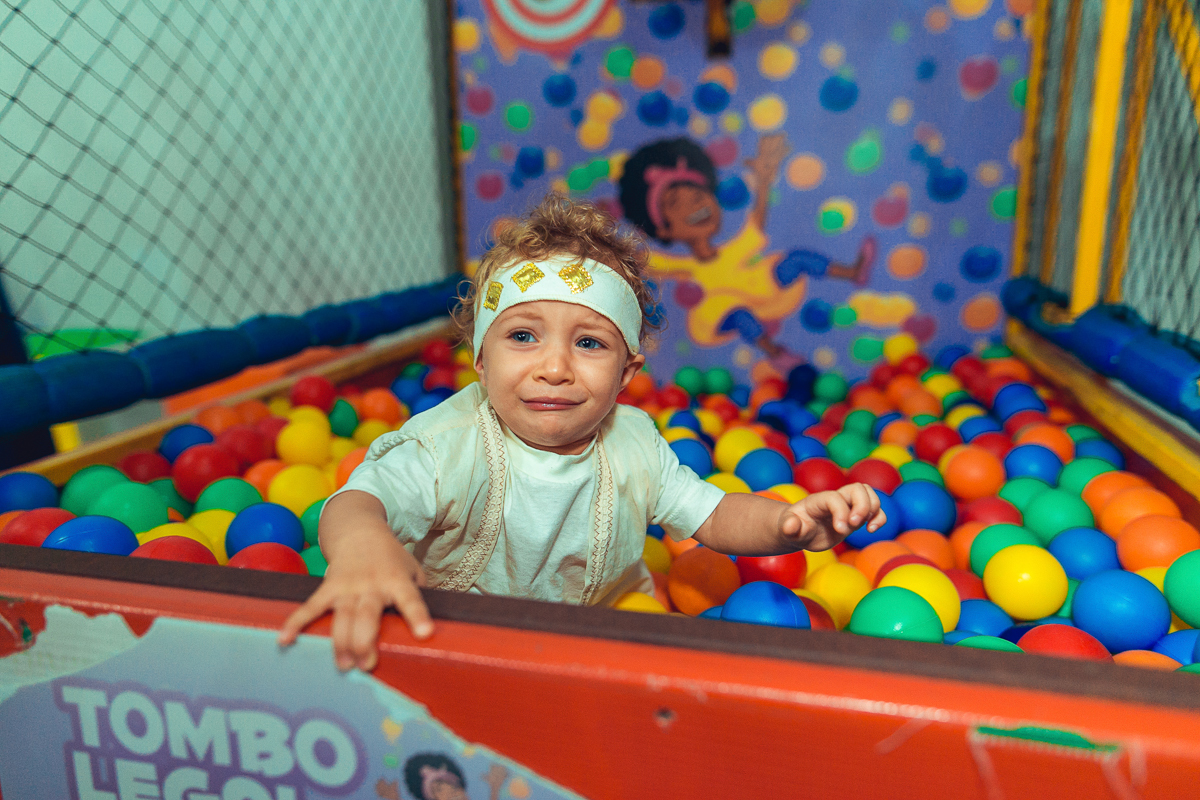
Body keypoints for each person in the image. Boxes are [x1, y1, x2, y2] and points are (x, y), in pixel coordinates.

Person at [278, 194, 885, 671]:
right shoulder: (447, 443)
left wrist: (788, 523)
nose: (554, 366)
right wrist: (363, 551)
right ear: (480, 359)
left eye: (589, 343)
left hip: (608, 636)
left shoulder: (635, 443)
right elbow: (360, 500)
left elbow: (714, 514)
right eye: (522, 336)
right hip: (455, 642)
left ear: (626, 374)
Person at [618, 134, 876, 360]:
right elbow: (644, 258)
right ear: (662, 228)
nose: (695, 204)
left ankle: (853, 272)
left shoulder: (735, 249)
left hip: (764, 289)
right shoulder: (684, 266)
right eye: (676, 203)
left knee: (795, 259)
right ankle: (775, 353)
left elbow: (755, 225)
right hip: (723, 312)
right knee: (735, 311)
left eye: (698, 194)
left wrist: (763, 181)